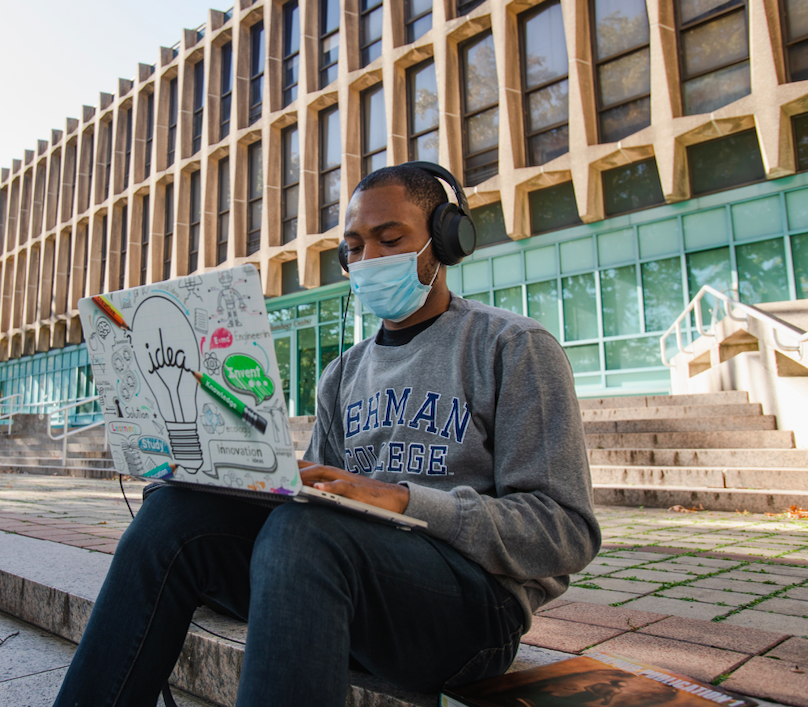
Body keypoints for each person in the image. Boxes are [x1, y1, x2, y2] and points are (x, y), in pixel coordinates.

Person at [52, 163, 601, 707]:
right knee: (171, 518)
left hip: (473, 614)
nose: (368, 261)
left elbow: (566, 530)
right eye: (355, 248)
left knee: (308, 532)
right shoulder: (343, 374)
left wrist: (407, 501)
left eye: (390, 239)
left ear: (446, 240)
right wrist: (232, 481)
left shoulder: (512, 346)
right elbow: (306, 512)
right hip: (341, 589)